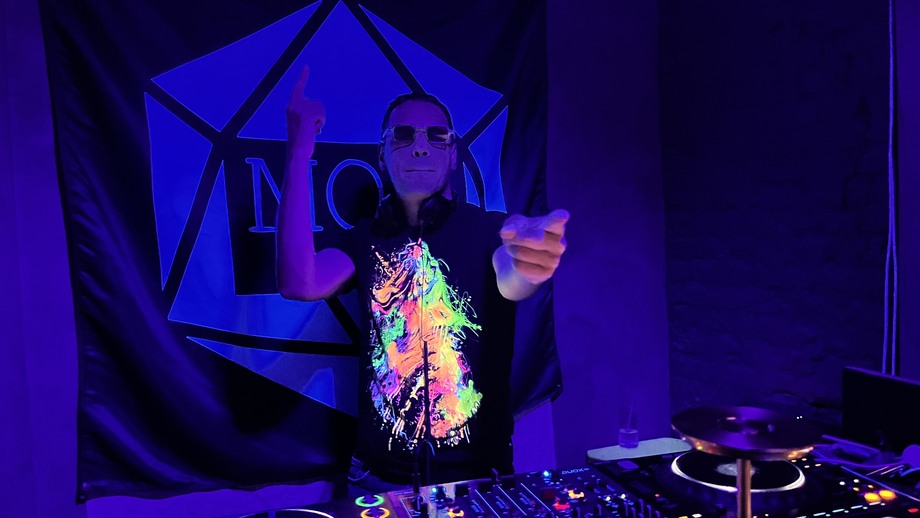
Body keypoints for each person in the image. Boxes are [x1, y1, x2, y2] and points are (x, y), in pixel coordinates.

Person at [277, 67, 568, 493]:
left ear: (453, 155)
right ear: (382, 155)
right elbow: (299, 282)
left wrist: (528, 266)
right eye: (403, 135)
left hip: (476, 481)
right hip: (376, 480)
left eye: (436, 136)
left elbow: (512, 281)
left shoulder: (491, 231)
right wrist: (299, 151)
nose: (419, 146)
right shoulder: (364, 238)